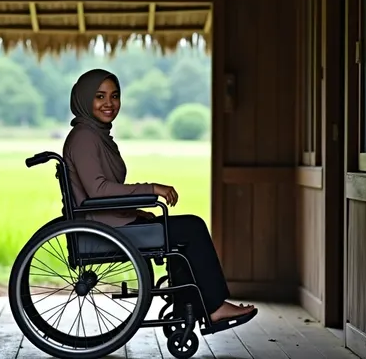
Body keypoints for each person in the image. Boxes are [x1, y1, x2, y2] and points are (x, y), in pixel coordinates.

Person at [62, 68, 256, 326]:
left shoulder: (94, 134)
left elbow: (98, 193)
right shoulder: (85, 137)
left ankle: (188, 308)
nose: (109, 103)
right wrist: (151, 189)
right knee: (192, 228)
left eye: (115, 95)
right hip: (106, 229)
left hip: (110, 222)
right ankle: (214, 306)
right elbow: (99, 191)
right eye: (100, 96)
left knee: (182, 235)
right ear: (85, 99)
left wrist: (135, 212)